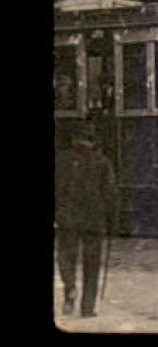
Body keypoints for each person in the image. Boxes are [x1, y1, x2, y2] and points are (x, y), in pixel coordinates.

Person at [55, 130, 118, 319]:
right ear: (92, 141)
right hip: (94, 219)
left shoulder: (61, 160)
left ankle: (70, 287)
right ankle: (87, 308)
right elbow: (111, 194)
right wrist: (112, 220)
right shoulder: (102, 162)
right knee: (92, 263)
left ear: (74, 140)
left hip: (67, 218)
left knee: (66, 257)